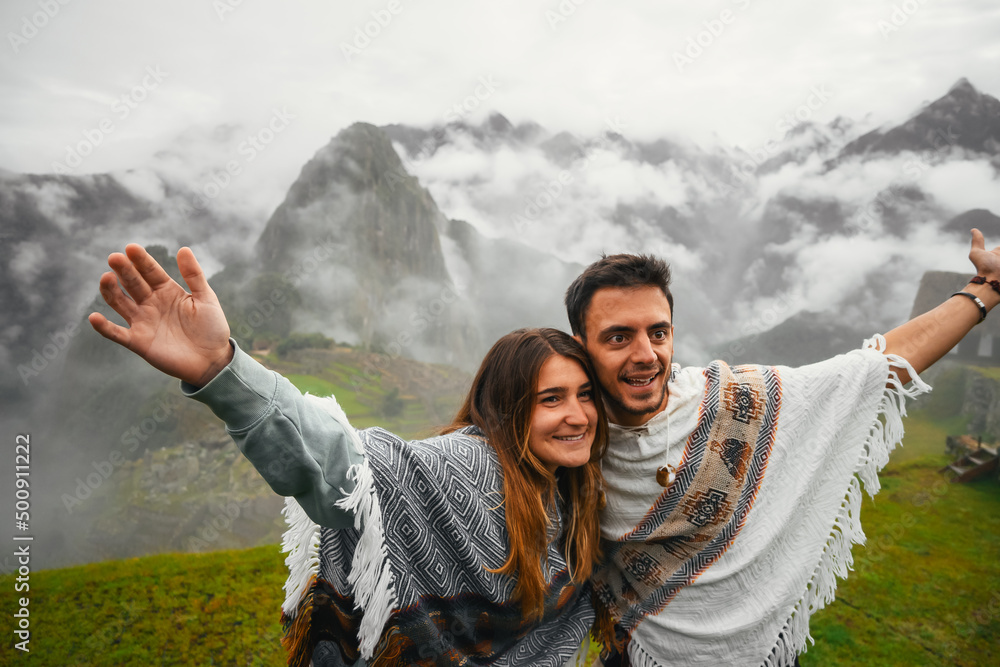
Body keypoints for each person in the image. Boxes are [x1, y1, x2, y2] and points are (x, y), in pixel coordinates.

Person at [87, 244, 609, 667]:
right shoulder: (469, 466)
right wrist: (221, 371)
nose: (578, 414)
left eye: (585, 394)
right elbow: (343, 470)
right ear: (506, 410)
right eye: (550, 399)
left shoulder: (580, 485)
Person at [563, 229, 1000, 666]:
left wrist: (986, 289)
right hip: (639, 654)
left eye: (657, 333)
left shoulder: (735, 401)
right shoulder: (566, 443)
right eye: (619, 337)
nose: (645, 354)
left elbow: (876, 366)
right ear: (580, 347)